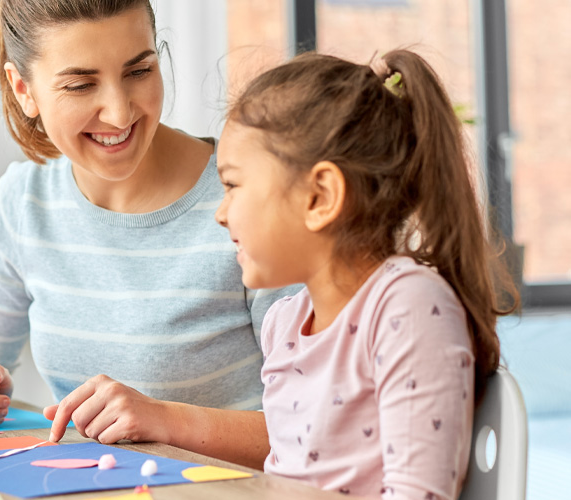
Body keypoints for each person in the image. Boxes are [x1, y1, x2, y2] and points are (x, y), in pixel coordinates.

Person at [0, 0, 296, 460]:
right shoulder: (24, 203)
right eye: (82, 84)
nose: (120, 113)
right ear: (23, 88)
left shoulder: (247, 195)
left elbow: (324, 428)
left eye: (139, 71)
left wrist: (167, 420)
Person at [213, 49, 518, 497]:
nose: (221, 214)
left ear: (320, 196)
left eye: (233, 185)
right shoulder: (283, 324)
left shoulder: (407, 306)